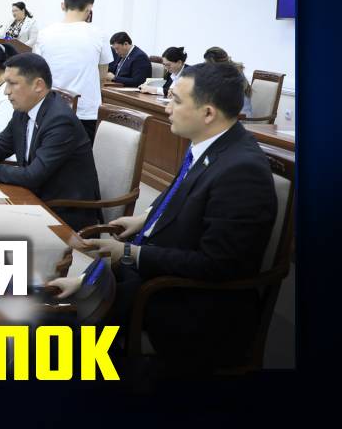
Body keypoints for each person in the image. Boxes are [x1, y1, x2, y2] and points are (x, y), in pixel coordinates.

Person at [47, 62, 277, 373]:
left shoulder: (242, 171)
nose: (167, 108)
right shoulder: (210, 144)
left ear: (208, 113)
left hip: (189, 302)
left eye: (176, 101)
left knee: (56, 336)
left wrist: (129, 253)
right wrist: (143, 220)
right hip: (154, 275)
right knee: (55, 307)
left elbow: (220, 265)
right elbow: (180, 197)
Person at [0, 53, 101, 231]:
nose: (6, 91)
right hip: (33, 199)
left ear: (38, 85)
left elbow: (33, 176)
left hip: (63, 214)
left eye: (12, 83)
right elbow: (1, 146)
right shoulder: (24, 109)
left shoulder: (60, 121)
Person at [33, 0, 112, 143]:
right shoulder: (99, 34)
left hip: (50, 108)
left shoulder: (44, 33)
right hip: (86, 111)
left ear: (63, 5)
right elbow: (103, 75)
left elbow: (37, 71)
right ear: (89, 8)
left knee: (49, 153)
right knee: (82, 155)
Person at [203, 46, 253, 116]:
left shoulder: (232, 75)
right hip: (233, 115)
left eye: (207, 63)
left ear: (215, 64)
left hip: (240, 118)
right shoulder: (229, 70)